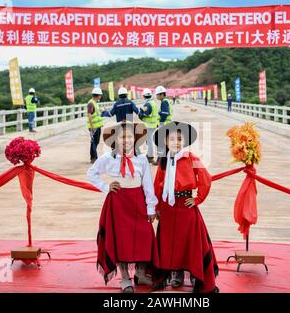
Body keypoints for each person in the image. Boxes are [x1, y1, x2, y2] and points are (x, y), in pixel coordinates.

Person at [87, 121, 159, 293]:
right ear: (115, 139)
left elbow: (148, 185)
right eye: (122, 136)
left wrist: (151, 208)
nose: (126, 140)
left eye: (130, 136)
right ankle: (125, 277)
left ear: (135, 139)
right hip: (118, 203)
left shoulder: (141, 159)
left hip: (138, 202)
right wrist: (106, 187)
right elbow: (91, 173)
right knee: (121, 239)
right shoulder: (107, 159)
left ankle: (141, 273)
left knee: (145, 236)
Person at [152, 121, 219, 293]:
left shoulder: (191, 157)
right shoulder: (164, 160)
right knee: (170, 243)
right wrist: (157, 207)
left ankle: (191, 275)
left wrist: (198, 199)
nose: (176, 142)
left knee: (188, 242)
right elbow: (157, 184)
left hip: (185, 206)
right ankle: (176, 273)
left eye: (180, 139)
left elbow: (206, 177)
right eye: (172, 139)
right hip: (168, 208)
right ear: (165, 142)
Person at [138, 88, 158, 164]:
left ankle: (150, 157)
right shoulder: (153, 103)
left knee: (149, 142)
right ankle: (149, 155)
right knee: (149, 141)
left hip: (149, 125)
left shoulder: (148, 104)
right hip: (153, 125)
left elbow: (144, 114)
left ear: (144, 96)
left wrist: (140, 114)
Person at [86, 87, 104, 163]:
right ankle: (93, 158)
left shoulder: (95, 103)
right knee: (93, 142)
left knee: (96, 142)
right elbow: (89, 115)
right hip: (93, 127)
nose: (101, 96)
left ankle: (94, 157)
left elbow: (96, 114)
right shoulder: (91, 103)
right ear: (98, 95)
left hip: (97, 126)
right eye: (100, 95)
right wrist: (92, 126)